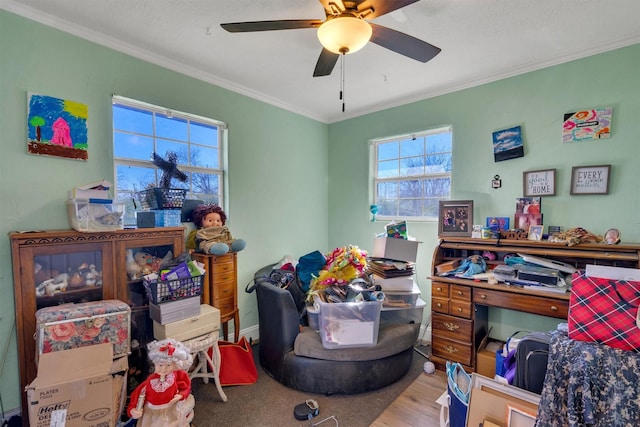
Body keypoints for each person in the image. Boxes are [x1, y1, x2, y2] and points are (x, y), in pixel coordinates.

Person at [127, 338, 195, 426]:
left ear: (175, 365)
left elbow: (186, 386)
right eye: (160, 365)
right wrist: (133, 410)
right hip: (152, 415)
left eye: (168, 365)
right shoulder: (151, 381)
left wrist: (181, 395)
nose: (163, 369)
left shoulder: (177, 375)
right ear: (155, 364)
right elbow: (137, 394)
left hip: (171, 411)